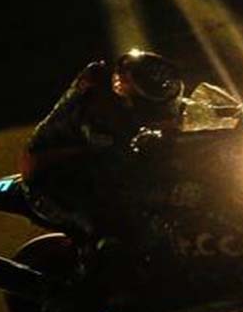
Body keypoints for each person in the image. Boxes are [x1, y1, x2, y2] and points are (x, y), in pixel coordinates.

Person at [19, 49, 184, 247]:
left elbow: (176, 115)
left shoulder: (133, 93)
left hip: (92, 162)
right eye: (157, 111)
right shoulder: (101, 110)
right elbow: (122, 156)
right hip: (52, 178)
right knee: (125, 229)